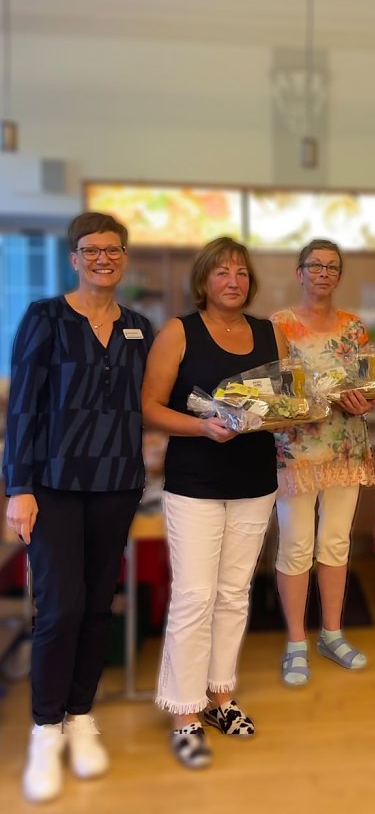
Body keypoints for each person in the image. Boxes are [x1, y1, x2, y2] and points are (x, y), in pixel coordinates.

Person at [2, 212, 153, 803]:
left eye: (113, 250)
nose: (102, 259)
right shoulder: (46, 318)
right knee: (60, 609)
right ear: (74, 257)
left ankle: (81, 718)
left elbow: (144, 403)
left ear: (124, 257)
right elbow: (24, 408)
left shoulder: (138, 327)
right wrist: (18, 486)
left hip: (116, 484)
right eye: (91, 250)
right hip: (55, 487)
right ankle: (45, 730)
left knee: (96, 607)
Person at [142, 237, 288, 767]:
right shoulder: (180, 331)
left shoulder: (270, 334)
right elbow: (149, 408)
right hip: (195, 483)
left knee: (233, 594)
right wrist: (204, 427)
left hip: (256, 480)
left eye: (242, 273)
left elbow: (284, 402)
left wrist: (291, 412)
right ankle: (184, 710)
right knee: (194, 598)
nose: (234, 281)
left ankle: (220, 696)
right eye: (223, 272)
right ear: (204, 280)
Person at [270, 239, 375, 687]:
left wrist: (364, 399)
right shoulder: (279, 325)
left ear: (339, 274)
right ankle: (295, 642)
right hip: (295, 451)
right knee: (295, 546)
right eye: (315, 265)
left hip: (345, 448)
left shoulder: (354, 327)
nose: (323, 273)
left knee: (335, 544)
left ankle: (331, 633)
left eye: (332, 266)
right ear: (300, 272)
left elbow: (371, 384)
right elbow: (272, 389)